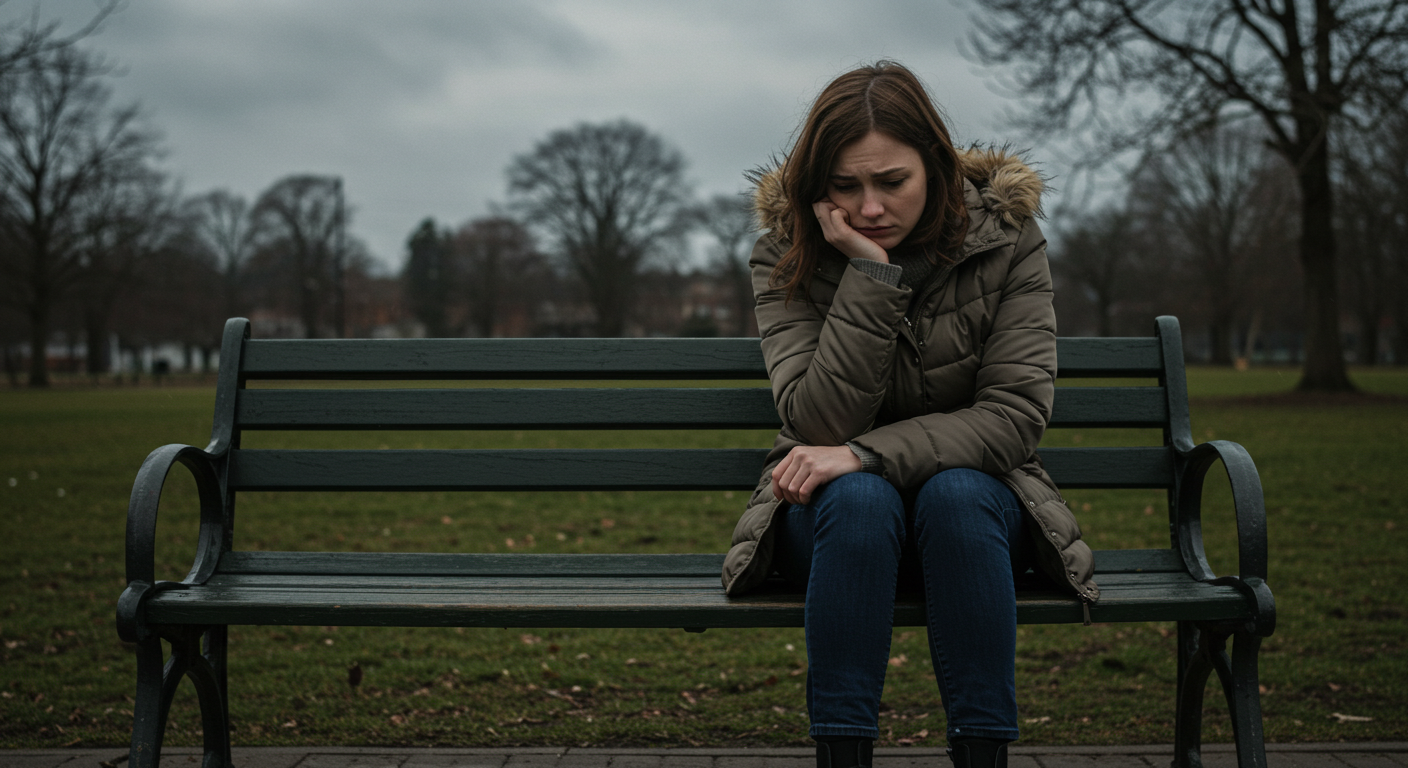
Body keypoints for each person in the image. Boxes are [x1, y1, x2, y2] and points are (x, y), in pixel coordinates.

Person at [720, 61, 1099, 768]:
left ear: (936, 167)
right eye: (846, 186)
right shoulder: (787, 253)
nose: (869, 208)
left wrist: (866, 453)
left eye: (891, 183)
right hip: (835, 528)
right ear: (817, 186)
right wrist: (868, 274)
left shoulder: (1008, 239)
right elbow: (816, 423)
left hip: (977, 521)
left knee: (955, 494)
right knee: (859, 500)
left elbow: (1014, 416)